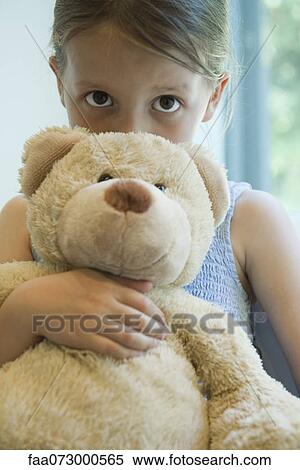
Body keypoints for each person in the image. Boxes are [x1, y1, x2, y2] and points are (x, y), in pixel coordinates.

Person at [0, 0, 299, 393]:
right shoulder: (26, 220)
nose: (131, 132)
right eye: (99, 99)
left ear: (213, 95)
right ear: (60, 81)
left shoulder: (248, 223)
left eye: (166, 103)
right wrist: (27, 310)